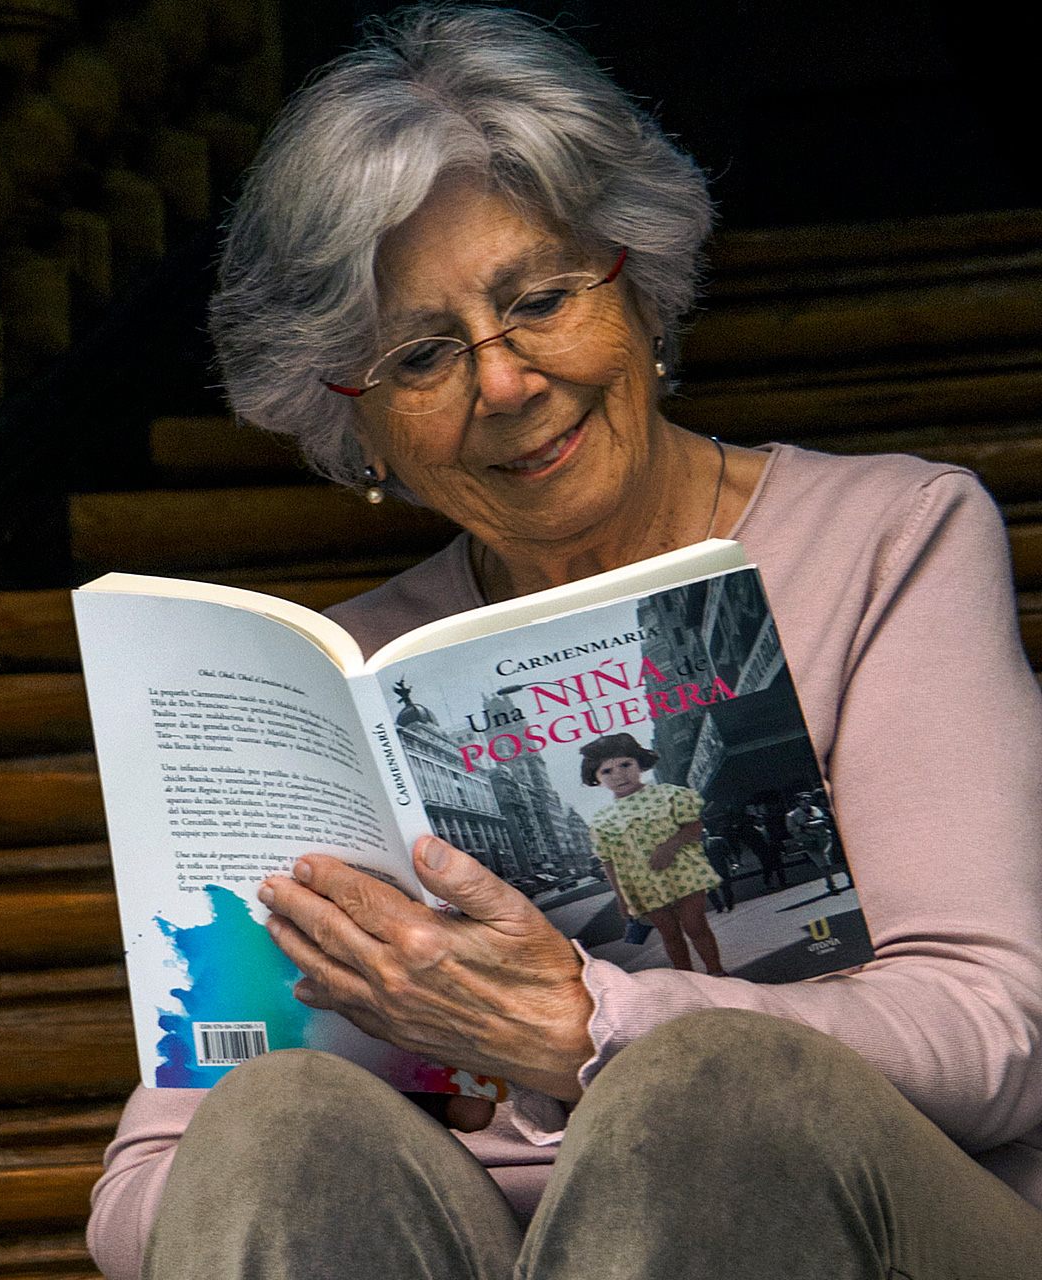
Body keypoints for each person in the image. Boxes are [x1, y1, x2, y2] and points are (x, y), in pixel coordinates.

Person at [87, 8, 1042, 1278]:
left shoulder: (892, 539)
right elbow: (147, 1194)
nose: (504, 381)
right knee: (272, 1119)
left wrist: (587, 1025)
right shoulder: (332, 688)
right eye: (422, 353)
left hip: (876, 1209)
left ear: (637, 285)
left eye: (539, 299)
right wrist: (413, 1081)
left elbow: (996, 1027)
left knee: (706, 1084)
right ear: (360, 427)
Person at [577, 733, 724, 973]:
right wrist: (622, 900)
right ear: (596, 778)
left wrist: (670, 846)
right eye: (607, 771)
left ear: (639, 763)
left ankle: (717, 971)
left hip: (684, 872)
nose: (619, 775)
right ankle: (689, 980)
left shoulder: (668, 794)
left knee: (695, 925)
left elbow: (694, 826)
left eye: (625, 765)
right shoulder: (603, 820)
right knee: (670, 935)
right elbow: (609, 862)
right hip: (643, 884)